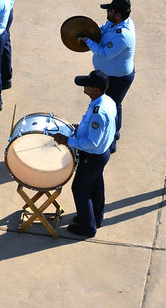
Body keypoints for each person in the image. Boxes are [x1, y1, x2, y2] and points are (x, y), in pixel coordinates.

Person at [53, 70, 116, 238]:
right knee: (96, 185)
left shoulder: (98, 112)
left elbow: (91, 142)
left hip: (93, 156)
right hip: (102, 153)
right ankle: (96, 217)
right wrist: (80, 127)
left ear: (95, 90)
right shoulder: (106, 101)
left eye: (87, 85)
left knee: (80, 188)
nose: (84, 87)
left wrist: (67, 141)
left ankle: (88, 227)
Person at [77, 0, 135, 153]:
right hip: (110, 75)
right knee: (114, 104)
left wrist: (88, 42)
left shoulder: (123, 35)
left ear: (118, 15)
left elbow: (104, 53)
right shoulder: (114, 22)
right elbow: (101, 31)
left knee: (111, 106)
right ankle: (115, 133)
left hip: (118, 79)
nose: (107, 12)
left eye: (110, 10)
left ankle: (111, 141)